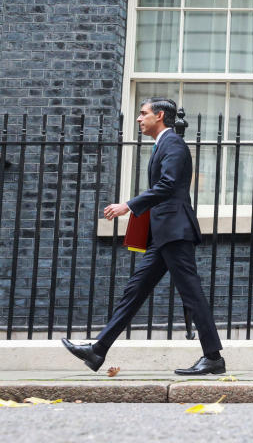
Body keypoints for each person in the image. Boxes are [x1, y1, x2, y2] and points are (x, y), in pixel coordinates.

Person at [61, 98, 225, 375]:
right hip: (164, 233)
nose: (139, 118)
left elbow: (168, 185)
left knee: (191, 293)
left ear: (159, 116)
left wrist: (129, 205)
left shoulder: (172, 143)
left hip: (174, 230)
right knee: (134, 291)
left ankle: (213, 357)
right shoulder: (163, 144)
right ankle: (97, 350)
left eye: (143, 113)